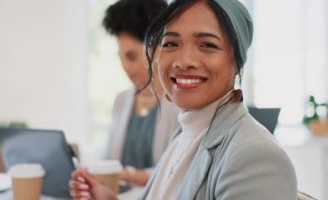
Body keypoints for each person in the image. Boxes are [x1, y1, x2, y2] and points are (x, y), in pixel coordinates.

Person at [69, 0, 298, 199]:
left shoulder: (257, 156)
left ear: (237, 61)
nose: (183, 60)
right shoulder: (185, 134)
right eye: (171, 44)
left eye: (207, 44)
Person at [102, 0, 179, 186]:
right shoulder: (121, 101)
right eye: (121, 58)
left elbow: (179, 173)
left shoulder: (180, 104)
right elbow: (109, 160)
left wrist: (136, 176)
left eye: (132, 56)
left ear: (158, 49)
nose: (125, 67)